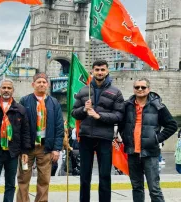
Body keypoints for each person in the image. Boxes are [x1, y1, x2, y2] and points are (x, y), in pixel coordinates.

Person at [72, 60, 124, 202]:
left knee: (105, 176)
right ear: (92, 71)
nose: (100, 72)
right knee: (84, 176)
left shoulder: (116, 92)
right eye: (97, 70)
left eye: (102, 70)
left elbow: (119, 116)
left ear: (107, 71)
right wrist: (84, 109)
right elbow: (74, 113)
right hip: (86, 137)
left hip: (105, 138)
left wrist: (99, 116)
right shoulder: (84, 91)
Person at [119, 78, 177, 202]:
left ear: (148, 89)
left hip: (151, 153)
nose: (140, 89)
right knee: (137, 188)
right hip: (132, 153)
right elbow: (120, 124)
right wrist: (125, 137)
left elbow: (172, 125)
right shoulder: (127, 105)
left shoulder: (158, 106)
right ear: (134, 89)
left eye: (143, 87)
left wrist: (157, 138)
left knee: (154, 189)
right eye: (137, 87)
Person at [0, 78, 31, 202]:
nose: (6, 90)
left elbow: (25, 132)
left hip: (12, 152)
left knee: (10, 184)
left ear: (13, 90)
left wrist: (25, 151)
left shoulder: (20, 110)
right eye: (4, 88)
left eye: (9, 88)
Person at [16, 72, 64, 202]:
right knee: (23, 178)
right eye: (39, 82)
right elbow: (19, 126)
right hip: (28, 148)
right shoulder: (25, 101)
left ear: (47, 85)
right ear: (33, 84)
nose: (41, 84)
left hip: (46, 148)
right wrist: (22, 149)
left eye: (44, 82)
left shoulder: (54, 103)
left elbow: (59, 127)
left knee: (44, 180)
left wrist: (56, 148)